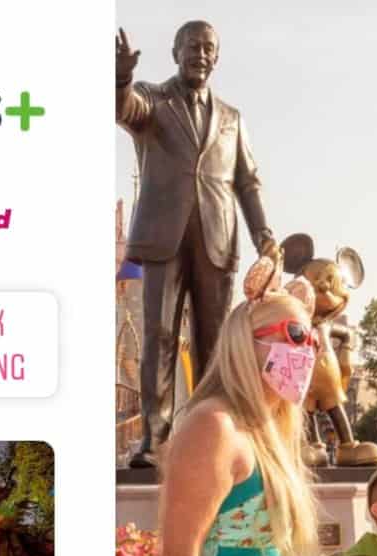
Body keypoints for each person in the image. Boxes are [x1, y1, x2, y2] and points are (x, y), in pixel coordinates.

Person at [120, 291, 320, 556]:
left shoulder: (267, 433)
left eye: (313, 339)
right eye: (295, 334)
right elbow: (179, 555)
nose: (307, 349)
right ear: (245, 341)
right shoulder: (214, 425)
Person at [116, 21, 280, 468]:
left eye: (208, 48)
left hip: (217, 237)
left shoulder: (232, 118)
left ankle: (210, 435)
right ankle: (155, 439)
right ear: (176, 52)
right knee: (160, 337)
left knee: (215, 341)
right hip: (163, 238)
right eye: (192, 47)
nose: (200, 55)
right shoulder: (153, 99)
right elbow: (123, 108)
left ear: (217, 58)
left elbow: (248, 182)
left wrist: (264, 236)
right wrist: (121, 76)